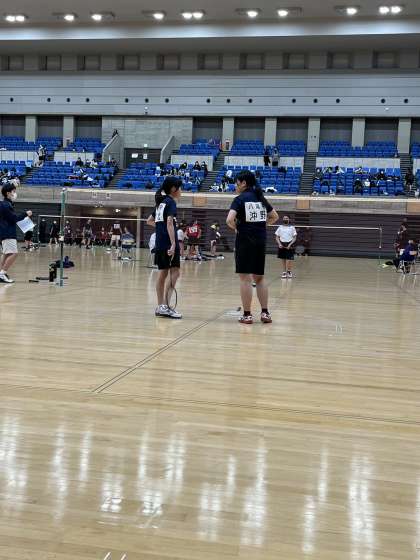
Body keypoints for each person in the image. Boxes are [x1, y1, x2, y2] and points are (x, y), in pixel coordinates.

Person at [226, 170, 279, 325]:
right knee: (259, 278)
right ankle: (265, 313)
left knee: (245, 278)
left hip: (244, 241)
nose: (235, 186)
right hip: (260, 241)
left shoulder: (239, 199)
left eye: (237, 183)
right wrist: (262, 225)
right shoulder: (260, 198)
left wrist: (237, 228)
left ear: (244, 183)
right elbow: (275, 216)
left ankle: (247, 315)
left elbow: (229, 220)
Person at [147, 176, 183, 319]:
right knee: (175, 272)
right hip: (168, 243)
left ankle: (161, 306)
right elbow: (169, 222)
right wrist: (173, 243)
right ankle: (166, 306)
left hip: (160, 242)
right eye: (180, 188)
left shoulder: (161, 203)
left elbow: (149, 221)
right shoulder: (171, 202)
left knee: (163, 273)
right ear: (173, 189)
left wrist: (160, 228)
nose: (181, 191)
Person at [0, 183, 32, 283]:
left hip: (5, 232)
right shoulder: (6, 205)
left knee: (6, 254)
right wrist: (25, 214)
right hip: (8, 232)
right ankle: (2, 274)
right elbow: (14, 219)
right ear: (8, 193)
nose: (15, 194)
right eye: (13, 191)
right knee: (14, 253)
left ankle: (1, 273)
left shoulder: (6, 204)